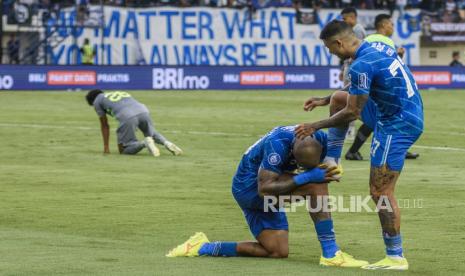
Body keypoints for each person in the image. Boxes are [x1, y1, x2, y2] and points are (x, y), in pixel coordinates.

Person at [296, 20, 424, 270]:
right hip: (406, 109)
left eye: (329, 48)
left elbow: (352, 113)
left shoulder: (360, 65)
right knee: (339, 97)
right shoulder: (376, 45)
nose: (330, 52)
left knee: (380, 192)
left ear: (339, 43)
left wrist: (315, 125)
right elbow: (352, 93)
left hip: (397, 123)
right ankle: (333, 160)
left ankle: (395, 257)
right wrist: (325, 100)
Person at [166, 125, 368, 268]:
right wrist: (307, 176)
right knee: (315, 186)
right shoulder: (277, 145)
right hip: (249, 189)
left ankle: (203, 247)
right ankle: (331, 253)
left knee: (277, 251)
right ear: (293, 152)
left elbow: (335, 141)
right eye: (300, 165)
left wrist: (332, 168)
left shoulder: (319, 137)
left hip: (272, 184)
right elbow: (265, 188)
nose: (303, 168)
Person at [345, 13, 419, 161]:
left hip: (366, 78)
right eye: (391, 24)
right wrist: (397, 55)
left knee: (377, 117)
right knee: (386, 115)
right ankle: (396, 149)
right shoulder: (385, 41)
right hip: (375, 82)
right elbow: (386, 64)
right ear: (384, 25)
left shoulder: (368, 39)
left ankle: (355, 151)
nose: (392, 27)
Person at [85, 89, 183, 156]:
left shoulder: (97, 101)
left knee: (123, 150)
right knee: (151, 132)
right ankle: (166, 143)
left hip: (127, 115)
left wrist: (106, 147)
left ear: (92, 101)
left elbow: (105, 125)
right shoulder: (117, 93)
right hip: (143, 110)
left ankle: (144, 143)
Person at [340, 7, 366, 140]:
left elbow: (356, 51)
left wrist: (349, 68)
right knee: (348, 98)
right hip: (349, 66)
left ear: (352, 17)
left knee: (350, 98)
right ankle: (349, 129)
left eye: (345, 18)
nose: (343, 21)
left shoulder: (357, 30)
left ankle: (350, 130)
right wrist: (343, 68)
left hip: (353, 67)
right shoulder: (352, 30)